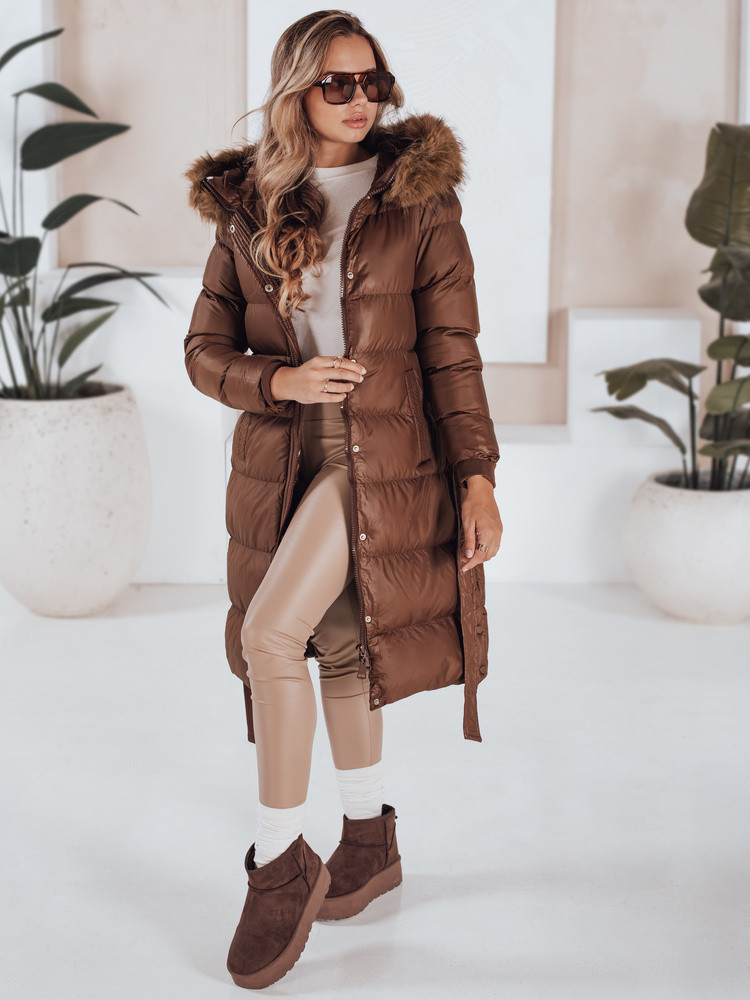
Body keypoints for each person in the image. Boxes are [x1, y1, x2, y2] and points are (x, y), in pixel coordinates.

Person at [184, 9, 502, 989]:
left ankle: (280, 860)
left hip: (386, 455)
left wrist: (479, 476)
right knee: (336, 641)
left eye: (374, 81)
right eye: (337, 83)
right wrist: (279, 381)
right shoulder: (248, 205)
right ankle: (367, 837)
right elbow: (203, 352)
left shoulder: (420, 201)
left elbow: (452, 352)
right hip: (285, 454)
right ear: (296, 91)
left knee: (269, 635)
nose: (362, 99)